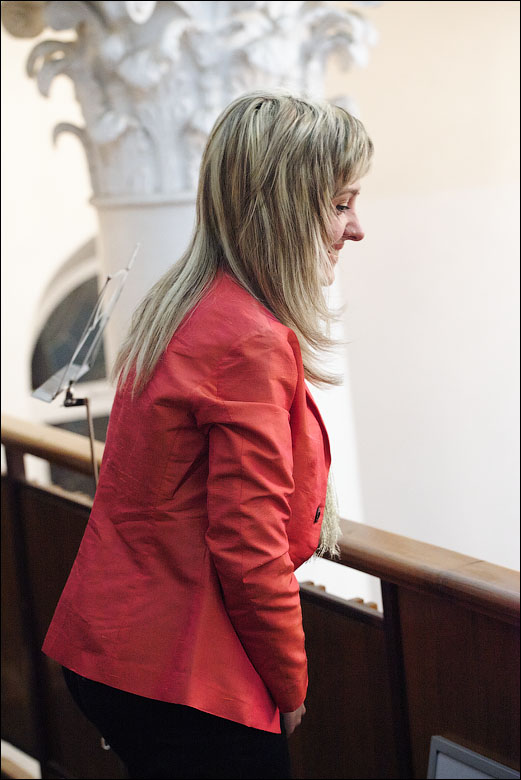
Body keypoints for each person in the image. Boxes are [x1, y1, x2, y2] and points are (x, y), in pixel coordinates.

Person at [42, 89, 373, 779]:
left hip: (119, 649)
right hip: (180, 667)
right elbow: (248, 549)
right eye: (341, 204)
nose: (356, 229)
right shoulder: (249, 338)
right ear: (287, 208)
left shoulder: (187, 302)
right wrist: (290, 686)